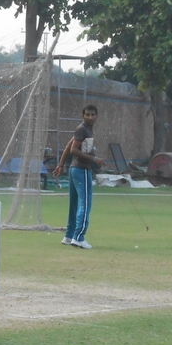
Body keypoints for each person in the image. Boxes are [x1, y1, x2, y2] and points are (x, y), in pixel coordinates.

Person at [53, 104, 105, 249]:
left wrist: (61, 165)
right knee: (85, 203)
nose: (90, 117)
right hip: (81, 170)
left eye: (92, 114)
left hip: (74, 170)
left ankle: (69, 236)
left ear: (96, 116)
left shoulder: (86, 130)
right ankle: (79, 237)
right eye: (87, 114)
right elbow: (74, 150)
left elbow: (68, 146)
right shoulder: (82, 129)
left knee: (75, 204)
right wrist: (94, 159)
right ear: (83, 116)